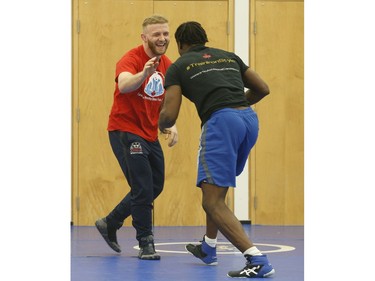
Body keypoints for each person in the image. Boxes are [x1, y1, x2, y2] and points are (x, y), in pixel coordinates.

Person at [158, 21, 275, 278]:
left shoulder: (178, 66)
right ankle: (208, 247)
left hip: (222, 124)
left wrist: (161, 123)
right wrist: (234, 105)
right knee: (215, 191)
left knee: (212, 200)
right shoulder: (228, 56)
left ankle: (257, 260)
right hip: (248, 121)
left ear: (180, 44)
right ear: (204, 39)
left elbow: (170, 113)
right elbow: (263, 88)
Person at [95, 14, 178, 261]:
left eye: (165, 34)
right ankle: (146, 242)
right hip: (125, 130)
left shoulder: (168, 65)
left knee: (155, 185)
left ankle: (110, 222)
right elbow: (124, 85)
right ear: (144, 37)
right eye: (156, 34)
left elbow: (163, 100)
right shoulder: (131, 59)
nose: (162, 39)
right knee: (142, 185)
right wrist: (143, 73)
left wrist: (170, 126)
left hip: (149, 133)